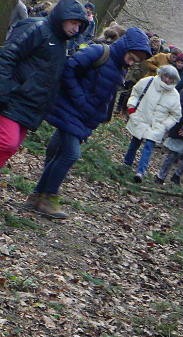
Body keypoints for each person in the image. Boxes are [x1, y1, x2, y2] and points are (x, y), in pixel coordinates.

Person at [27, 26, 151, 219]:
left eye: (139, 59)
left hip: (82, 117)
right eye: (134, 55)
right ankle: (47, 197)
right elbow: (69, 69)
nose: (134, 60)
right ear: (127, 46)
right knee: (70, 154)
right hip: (69, 110)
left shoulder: (120, 68)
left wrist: (97, 119)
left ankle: (37, 196)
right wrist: (79, 98)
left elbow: (105, 98)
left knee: (61, 153)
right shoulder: (99, 51)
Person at [0, 0, 87, 169]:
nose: (75, 28)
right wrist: (3, 91)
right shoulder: (37, 27)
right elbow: (8, 56)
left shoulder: (64, 44)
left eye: (79, 25)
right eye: (73, 23)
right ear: (63, 17)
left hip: (31, 106)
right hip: (12, 98)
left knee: (11, 147)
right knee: (6, 143)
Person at [123, 65, 182, 182]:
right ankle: (126, 165)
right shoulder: (148, 81)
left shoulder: (175, 95)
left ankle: (140, 172)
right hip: (141, 118)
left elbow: (176, 115)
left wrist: (165, 126)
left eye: (171, 78)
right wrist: (131, 108)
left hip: (157, 125)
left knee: (148, 147)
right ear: (161, 74)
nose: (168, 80)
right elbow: (135, 93)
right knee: (134, 143)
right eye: (166, 76)